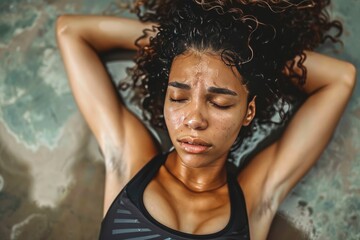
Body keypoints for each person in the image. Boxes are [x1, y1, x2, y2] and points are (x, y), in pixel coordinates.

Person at [56, 0, 356, 239]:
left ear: (248, 111)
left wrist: (249, 56)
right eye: (178, 98)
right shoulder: (130, 164)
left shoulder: (253, 201)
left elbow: (341, 78)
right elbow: (70, 31)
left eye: (220, 102)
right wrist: (181, 41)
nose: (194, 119)